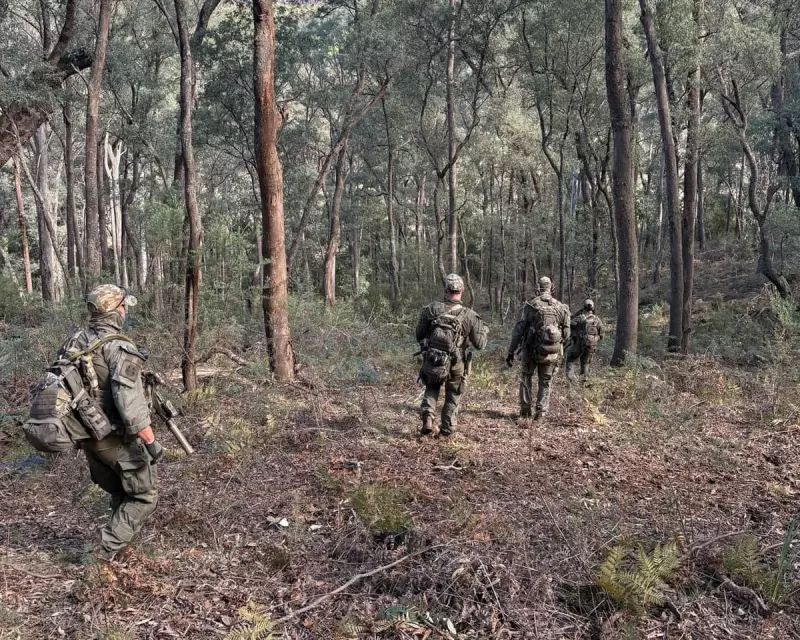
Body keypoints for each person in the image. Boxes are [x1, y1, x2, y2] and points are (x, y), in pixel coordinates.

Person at [54, 285, 161, 562]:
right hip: (113, 436)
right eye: (124, 306)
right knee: (144, 496)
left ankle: (117, 552)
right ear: (114, 310)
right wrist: (150, 440)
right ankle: (100, 556)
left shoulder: (74, 341)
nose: (125, 311)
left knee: (121, 491)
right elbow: (130, 403)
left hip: (87, 436)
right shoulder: (118, 346)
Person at [415, 274, 488, 437]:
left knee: (432, 387)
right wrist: (483, 330)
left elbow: (418, 335)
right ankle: (447, 430)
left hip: (434, 359)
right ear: (461, 291)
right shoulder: (469, 315)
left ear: (446, 290)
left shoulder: (432, 309)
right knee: (453, 395)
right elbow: (480, 344)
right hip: (457, 363)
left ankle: (428, 415)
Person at [506, 276, 570, 420]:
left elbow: (518, 331)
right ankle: (540, 414)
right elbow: (566, 334)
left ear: (538, 288)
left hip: (530, 350)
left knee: (526, 378)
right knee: (546, 381)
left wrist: (511, 351)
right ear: (551, 287)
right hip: (551, 352)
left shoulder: (530, 305)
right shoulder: (561, 307)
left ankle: (525, 412)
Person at [565, 299, 604, 382]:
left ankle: (571, 379)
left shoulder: (580, 317)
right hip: (591, 346)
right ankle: (584, 381)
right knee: (585, 363)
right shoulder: (597, 320)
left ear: (584, 307)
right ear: (593, 308)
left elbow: (569, 324)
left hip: (578, 344)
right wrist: (593, 340)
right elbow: (602, 335)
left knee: (570, 359)